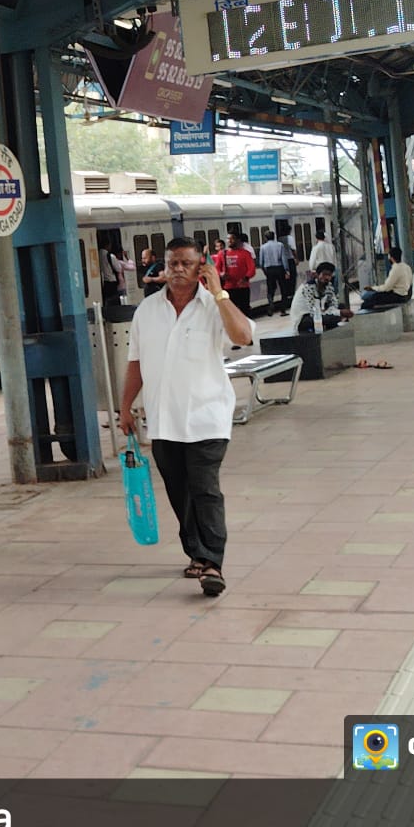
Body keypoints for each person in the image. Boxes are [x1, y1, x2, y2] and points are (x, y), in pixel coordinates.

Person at [118, 238, 254, 598]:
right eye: (172, 263)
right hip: (164, 421)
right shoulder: (147, 311)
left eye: (186, 263)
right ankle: (196, 552)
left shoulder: (213, 306)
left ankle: (212, 562)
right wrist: (125, 407)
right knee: (179, 492)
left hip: (207, 417)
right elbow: (136, 363)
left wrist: (220, 293)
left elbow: (244, 335)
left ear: (201, 267)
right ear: (163, 266)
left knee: (205, 490)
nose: (178, 269)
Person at [289, 261, 350, 333]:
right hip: (304, 318)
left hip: (318, 313)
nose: (326, 277)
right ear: (317, 275)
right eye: (324, 274)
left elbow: (334, 304)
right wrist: (339, 313)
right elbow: (313, 312)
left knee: (341, 307)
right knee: (332, 318)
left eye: (329, 275)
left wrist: (337, 311)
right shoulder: (308, 287)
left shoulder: (328, 286)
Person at [358, 247, 413, 312]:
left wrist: (373, 288)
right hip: (407, 295)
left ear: (391, 258)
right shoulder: (407, 267)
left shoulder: (396, 269)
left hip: (398, 296)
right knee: (374, 297)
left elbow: (386, 288)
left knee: (368, 301)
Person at [217, 231, 257, 316]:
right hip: (228, 288)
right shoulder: (222, 254)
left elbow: (252, 269)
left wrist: (245, 278)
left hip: (242, 288)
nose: (229, 241)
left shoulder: (245, 254)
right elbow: (217, 269)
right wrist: (221, 274)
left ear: (238, 240)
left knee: (245, 311)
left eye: (232, 239)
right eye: (228, 239)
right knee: (230, 313)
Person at [257, 231, 295, 314]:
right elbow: (283, 258)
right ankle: (283, 309)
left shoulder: (263, 247)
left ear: (265, 238)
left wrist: (264, 271)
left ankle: (271, 306)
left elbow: (260, 262)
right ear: (274, 237)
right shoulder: (280, 245)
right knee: (283, 289)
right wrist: (287, 270)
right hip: (279, 268)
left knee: (270, 289)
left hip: (269, 270)